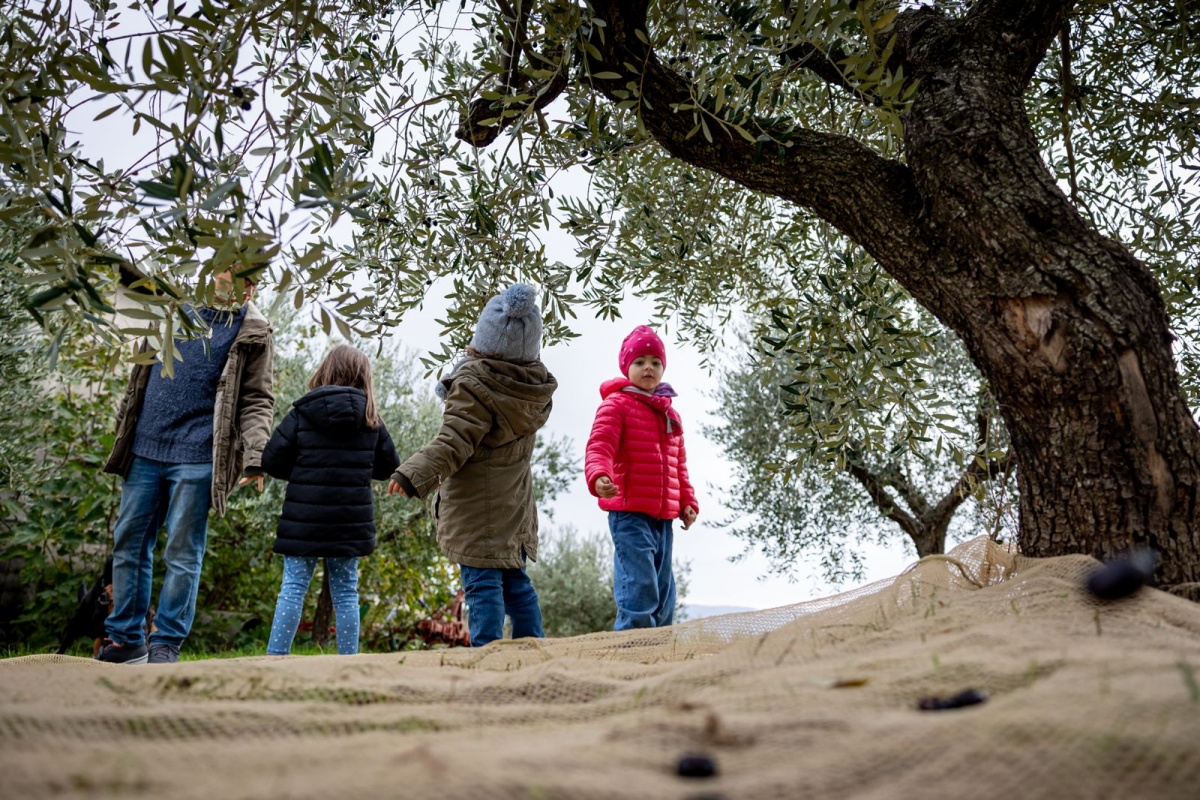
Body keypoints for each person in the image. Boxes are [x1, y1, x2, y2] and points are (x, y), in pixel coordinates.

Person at [98, 270, 274, 664]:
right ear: (217, 271)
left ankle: (166, 642)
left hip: (198, 454)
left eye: (256, 281)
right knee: (128, 544)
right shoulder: (172, 306)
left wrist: (256, 455)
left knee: (182, 551)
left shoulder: (254, 331)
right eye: (243, 277)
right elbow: (127, 287)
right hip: (144, 448)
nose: (251, 288)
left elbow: (257, 399)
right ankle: (126, 639)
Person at [388, 283, 557, 647]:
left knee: (482, 585)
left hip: (476, 510)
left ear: (485, 339)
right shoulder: (531, 389)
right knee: (516, 584)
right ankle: (533, 647)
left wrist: (412, 473)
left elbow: (454, 441)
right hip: (514, 507)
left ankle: (488, 654)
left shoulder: (475, 384)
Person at [260, 344, 400, 656]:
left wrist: (301, 474)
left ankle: (276, 657)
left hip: (303, 520)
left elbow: (271, 459)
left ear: (326, 369)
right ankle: (347, 662)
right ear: (363, 378)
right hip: (350, 522)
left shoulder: (302, 413)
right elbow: (389, 466)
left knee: (294, 588)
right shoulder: (371, 420)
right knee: (346, 592)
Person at [584, 325, 699, 631]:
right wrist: (599, 476)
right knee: (639, 584)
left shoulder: (670, 414)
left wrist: (688, 502)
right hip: (629, 512)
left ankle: (658, 651)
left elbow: (680, 466)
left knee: (664, 593)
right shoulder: (616, 405)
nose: (648, 367)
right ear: (626, 368)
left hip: (663, 518)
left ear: (663, 368)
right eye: (639, 362)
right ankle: (631, 650)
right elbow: (599, 446)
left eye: (655, 362)